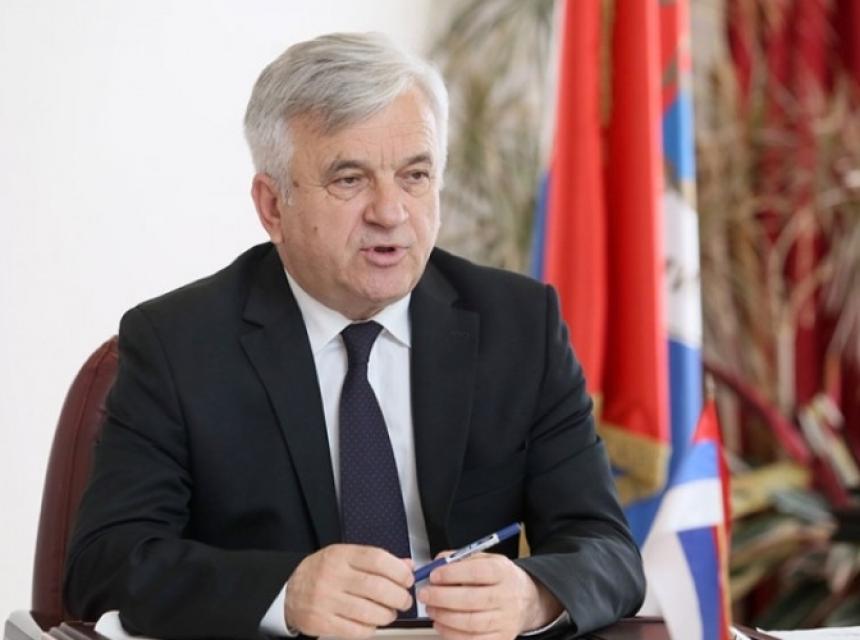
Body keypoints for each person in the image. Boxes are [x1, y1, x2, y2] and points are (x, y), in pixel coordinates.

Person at [64, 32, 645, 640]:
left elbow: (606, 547)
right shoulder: (178, 344)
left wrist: (534, 595)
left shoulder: (518, 326)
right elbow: (104, 565)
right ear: (272, 206)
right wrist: (284, 594)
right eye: (349, 179)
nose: (390, 212)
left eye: (415, 175)